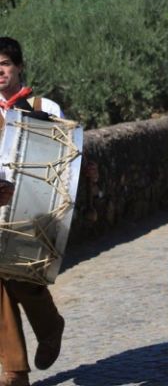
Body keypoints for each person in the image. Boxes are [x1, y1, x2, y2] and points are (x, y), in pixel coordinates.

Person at [0, 37, 65, 386]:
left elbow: (65, 156)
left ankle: (50, 326)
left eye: (5, 63)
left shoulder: (44, 106)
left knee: (24, 280)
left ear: (19, 67)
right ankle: (15, 369)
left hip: (33, 210)